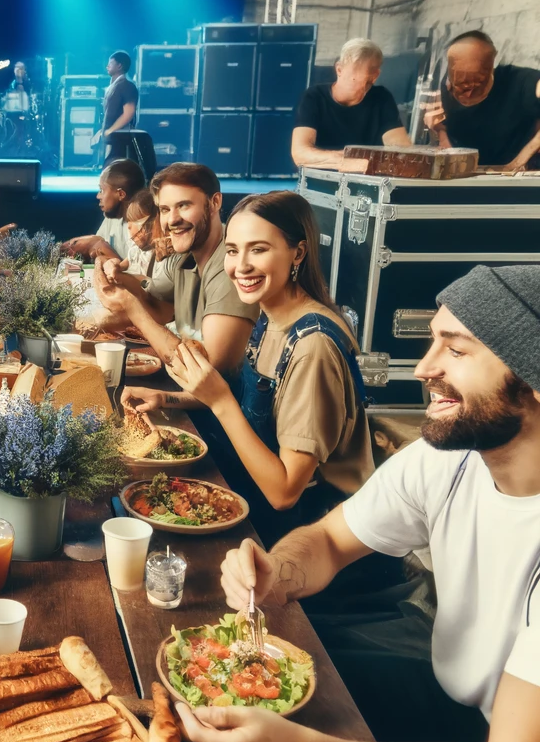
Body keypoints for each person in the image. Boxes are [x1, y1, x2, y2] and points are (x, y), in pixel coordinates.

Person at [181, 265, 540, 742]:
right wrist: (274, 574)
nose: (423, 368)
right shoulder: (448, 458)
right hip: (457, 700)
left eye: (455, 350)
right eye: (433, 341)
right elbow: (327, 540)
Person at [163, 191, 374, 544]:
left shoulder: (313, 347)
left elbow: (285, 493)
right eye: (232, 250)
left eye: (258, 249)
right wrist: (164, 400)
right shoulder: (270, 313)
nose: (240, 266)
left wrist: (219, 402)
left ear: (299, 253)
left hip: (311, 540)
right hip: (258, 508)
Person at [93, 163, 257, 371]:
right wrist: (112, 274)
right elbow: (158, 307)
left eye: (184, 206)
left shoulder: (232, 265)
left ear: (215, 202)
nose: (172, 220)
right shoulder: (183, 252)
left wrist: (130, 306)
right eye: (164, 209)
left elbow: (211, 373)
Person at [426, 30, 540, 171]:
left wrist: (521, 159)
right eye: (460, 86)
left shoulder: (518, 81)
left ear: (490, 68)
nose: (468, 94)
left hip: (514, 180)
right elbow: (445, 129)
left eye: (478, 83)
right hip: (469, 177)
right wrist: (439, 134)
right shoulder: (445, 87)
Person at [291, 38, 411, 170]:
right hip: (320, 181)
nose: (359, 85)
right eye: (353, 77)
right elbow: (300, 154)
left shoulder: (381, 98)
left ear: (375, 75)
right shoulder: (314, 97)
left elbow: (401, 150)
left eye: (366, 79)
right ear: (339, 70)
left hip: (366, 183)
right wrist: (355, 163)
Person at [63, 159, 147, 268]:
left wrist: (99, 245)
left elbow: (136, 275)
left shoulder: (143, 228)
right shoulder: (112, 217)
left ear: (121, 194)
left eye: (102, 190)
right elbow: (96, 245)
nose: (98, 196)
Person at [92, 51, 138, 161]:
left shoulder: (127, 86)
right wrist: (103, 131)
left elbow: (129, 113)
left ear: (119, 66)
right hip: (113, 137)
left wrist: (110, 130)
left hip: (120, 138)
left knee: (115, 170)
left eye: (110, 63)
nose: (107, 66)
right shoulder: (114, 86)